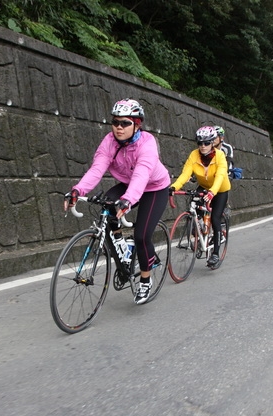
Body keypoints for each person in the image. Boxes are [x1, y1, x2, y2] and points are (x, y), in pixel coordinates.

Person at [63, 98, 171, 304]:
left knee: (141, 236)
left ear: (137, 124)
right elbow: (97, 169)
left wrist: (128, 200)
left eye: (125, 123)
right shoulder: (109, 142)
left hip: (154, 187)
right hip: (128, 183)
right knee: (107, 207)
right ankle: (122, 246)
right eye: (115, 122)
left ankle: (145, 281)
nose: (119, 127)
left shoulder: (147, 143)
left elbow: (142, 174)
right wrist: (77, 190)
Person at [170, 126, 231, 269]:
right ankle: (199, 231)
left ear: (212, 143)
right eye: (200, 143)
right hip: (203, 186)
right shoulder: (194, 155)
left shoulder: (220, 155)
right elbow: (185, 174)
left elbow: (220, 176)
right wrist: (174, 187)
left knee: (215, 218)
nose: (203, 146)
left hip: (220, 189)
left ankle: (215, 253)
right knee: (194, 207)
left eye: (206, 143)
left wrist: (212, 192)